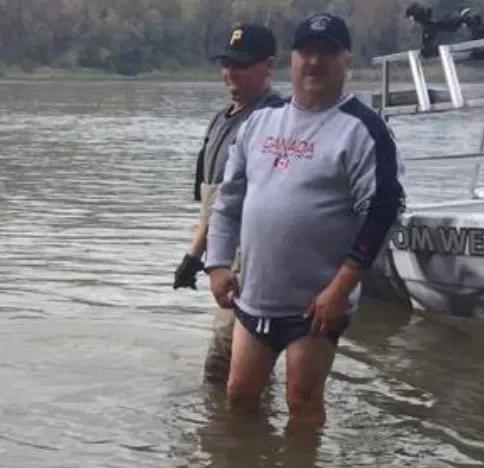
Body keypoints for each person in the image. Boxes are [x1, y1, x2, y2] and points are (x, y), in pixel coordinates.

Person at [205, 13, 405, 425]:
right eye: (306, 52)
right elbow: (229, 201)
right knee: (239, 397)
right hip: (255, 295)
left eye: (327, 53)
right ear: (292, 59)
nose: (314, 62)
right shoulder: (260, 120)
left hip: (316, 305)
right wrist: (218, 263)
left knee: (302, 401)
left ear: (346, 61)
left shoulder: (363, 130)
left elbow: (383, 213)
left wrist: (340, 288)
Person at [173, 23, 283, 385]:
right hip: (222, 254)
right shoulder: (222, 119)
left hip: (252, 257)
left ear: (268, 66)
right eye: (226, 63)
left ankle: (235, 435)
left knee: (225, 361)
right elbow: (212, 202)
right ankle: (244, 432)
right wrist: (196, 255)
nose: (229, 72)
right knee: (233, 359)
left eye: (241, 64)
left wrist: (200, 256)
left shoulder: (275, 121)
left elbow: (241, 203)